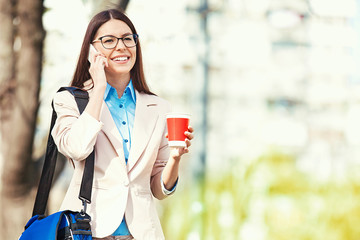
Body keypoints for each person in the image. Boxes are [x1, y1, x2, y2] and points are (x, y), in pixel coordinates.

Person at [51, 9, 194, 240]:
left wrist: (176, 157)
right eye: (108, 40)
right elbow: (76, 148)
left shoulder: (159, 108)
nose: (121, 46)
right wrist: (98, 89)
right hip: (88, 230)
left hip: (141, 233)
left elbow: (159, 189)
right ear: (91, 50)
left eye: (128, 38)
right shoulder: (69, 100)